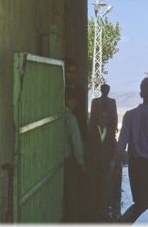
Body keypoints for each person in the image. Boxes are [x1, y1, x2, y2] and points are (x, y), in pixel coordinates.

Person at [113, 77, 148, 224]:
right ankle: (121, 223)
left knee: (140, 202)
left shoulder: (129, 116)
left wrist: (118, 167)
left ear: (141, 94)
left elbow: (121, 144)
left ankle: (122, 222)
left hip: (134, 166)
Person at [63, 57, 90, 221]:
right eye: (69, 72)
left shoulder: (79, 90)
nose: (72, 76)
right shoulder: (56, 87)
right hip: (63, 146)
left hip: (77, 140)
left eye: (74, 72)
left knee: (77, 186)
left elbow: (81, 118)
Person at [88, 109, 117, 221]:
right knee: (93, 188)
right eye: (101, 117)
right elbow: (88, 146)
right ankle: (93, 213)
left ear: (108, 120)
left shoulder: (110, 131)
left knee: (103, 189)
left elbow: (115, 147)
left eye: (105, 118)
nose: (103, 120)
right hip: (94, 165)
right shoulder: (91, 131)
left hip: (104, 166)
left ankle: (102, 212)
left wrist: (109, 158)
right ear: (97, 119)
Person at [63, 87, 86, 222]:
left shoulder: (57, 115)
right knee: (72, 197)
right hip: (69, 161)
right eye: (74, 101)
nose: (76, 104)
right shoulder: (71, 118)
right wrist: (81, 163)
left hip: (57, 162)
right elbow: (76, 142)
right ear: (68, 100)